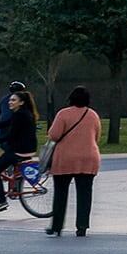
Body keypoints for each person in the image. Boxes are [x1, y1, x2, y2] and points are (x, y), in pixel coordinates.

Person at [44, 85, 102, 238]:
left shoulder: (63, 114)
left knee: (60, 193)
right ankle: (82, 226)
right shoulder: (93, 115)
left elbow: (54, 135)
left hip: (65, 159)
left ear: (71, 98)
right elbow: (97, 137)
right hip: (88, 158)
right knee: (85, 194)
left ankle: (56, 226)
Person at [0, 88, 38, 212]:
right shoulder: (21, 113)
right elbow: (6, 123)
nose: (10, 102)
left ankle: (2, 201)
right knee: (8, 168)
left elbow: (11, 136)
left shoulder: (20, 115)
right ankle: (15, 185)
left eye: (13, 100)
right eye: (10, 100)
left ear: (21, 102)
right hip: (25, 148)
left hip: (20, 150)